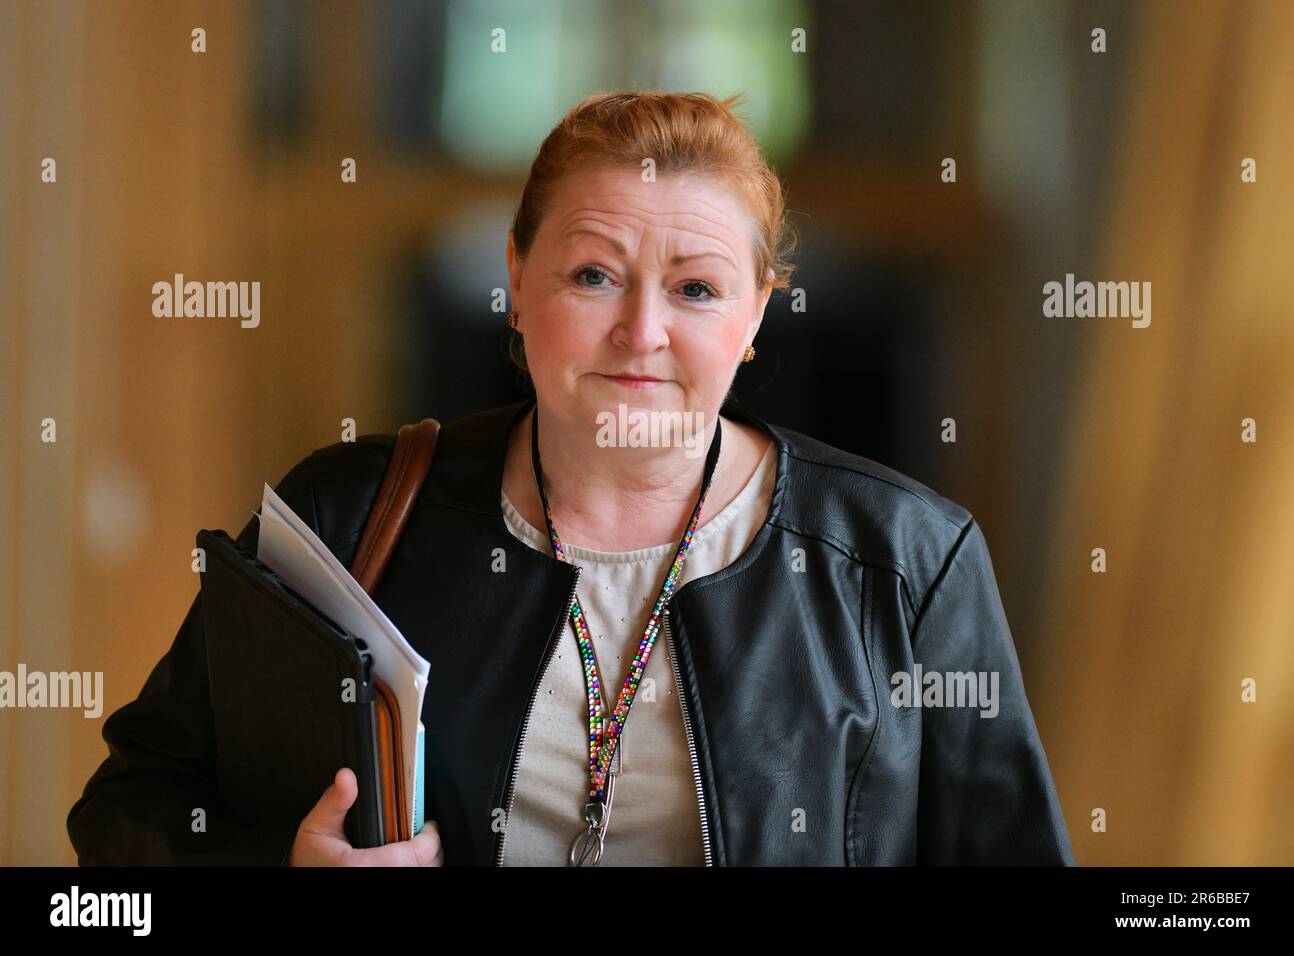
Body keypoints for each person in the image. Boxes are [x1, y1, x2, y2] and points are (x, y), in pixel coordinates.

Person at [68, 90, 1074, 866]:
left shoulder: (907, 561)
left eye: (696, 287)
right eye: (593, 273)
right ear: (514, 274)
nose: (641, 331)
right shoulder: (349, 513)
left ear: (758, 312)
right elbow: (122, 818)